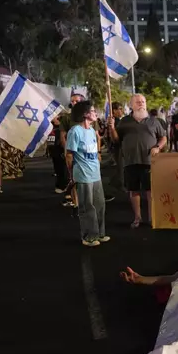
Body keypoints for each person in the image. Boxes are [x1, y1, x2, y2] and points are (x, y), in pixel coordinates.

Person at [108, 94, 167, 228]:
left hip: (149, 161)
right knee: (133, 190)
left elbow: (163, 138)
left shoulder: (154, 121)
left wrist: (158, 147)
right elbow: (116, 139)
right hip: (130, 161)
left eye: (143, 101)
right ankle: (137, 218)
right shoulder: (124, 121)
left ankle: (152, 218)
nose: (141, 104)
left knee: (150, 190)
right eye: (137, 102)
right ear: (131, 105)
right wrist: (112, 128)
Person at [66, 101, 109, 247]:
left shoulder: (91, 130)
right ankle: (88, 236)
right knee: (87, 206)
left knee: (99, 204)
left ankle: (100, 233)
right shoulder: (75, 131)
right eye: (92, 110)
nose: (95, 113)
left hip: (95, 174)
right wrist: (72, 175)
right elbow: (69, 155)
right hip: (83, 175)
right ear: (85, 114)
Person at [47, 114, 68, 193]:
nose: (52, 117)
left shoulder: (62, 127)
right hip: (53, 151)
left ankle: (63, 186)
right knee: (57, 169)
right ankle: (59, 185)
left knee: (63, 169)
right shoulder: (49, 126)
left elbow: (63, 139)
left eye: (54, 116)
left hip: (60, 151)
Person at [109, 102, 125, 192]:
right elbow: (115, 137)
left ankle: (115, 182)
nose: (121, 111)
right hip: (118, 146)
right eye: (120, 109)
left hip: (118, 146)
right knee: (121, 166)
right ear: (114, 110)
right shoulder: (116, 121)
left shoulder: (118, 120)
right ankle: (121, 184)